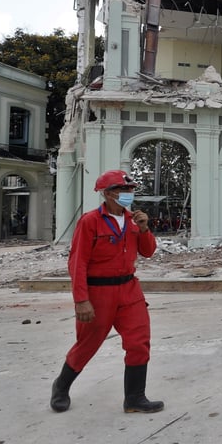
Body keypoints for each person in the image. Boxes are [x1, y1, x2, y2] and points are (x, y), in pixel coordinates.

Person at [50, 169, 164, 414]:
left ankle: (134, 398)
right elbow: (77, 262)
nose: (129, 194)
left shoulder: (134, 220)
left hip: (129, 289)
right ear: (109, 194)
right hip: (98, 292)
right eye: (124, 190)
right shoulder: (90, 221)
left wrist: (144, 229)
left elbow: (148, 252)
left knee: (139, 341)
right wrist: (81, 300)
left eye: (131, 189)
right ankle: (60, 386)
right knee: (87, 344)